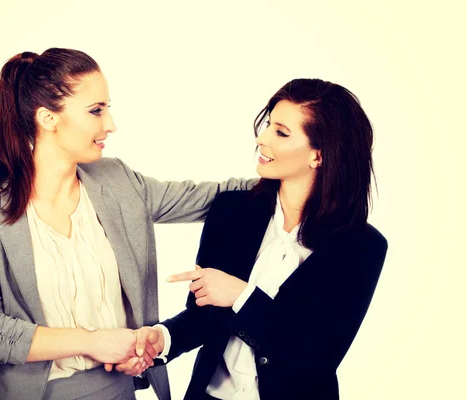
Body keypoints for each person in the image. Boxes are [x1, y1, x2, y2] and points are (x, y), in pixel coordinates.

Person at [0, 47, 255, 400]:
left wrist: (290, 175)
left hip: (116, 390)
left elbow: (214, 197)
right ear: (48, 118)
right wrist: (93, 341)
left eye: (107, 108)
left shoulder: (117, 181)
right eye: (96, 111)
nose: (110, 124)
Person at [121, 78, 388, 399]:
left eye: (281, 132)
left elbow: (317, 356)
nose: (261, 139)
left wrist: (242, 295)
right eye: (267, 125)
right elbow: (204, 318)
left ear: (318, 155)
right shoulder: (231, 211)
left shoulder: (361, 247)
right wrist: (163, 338)